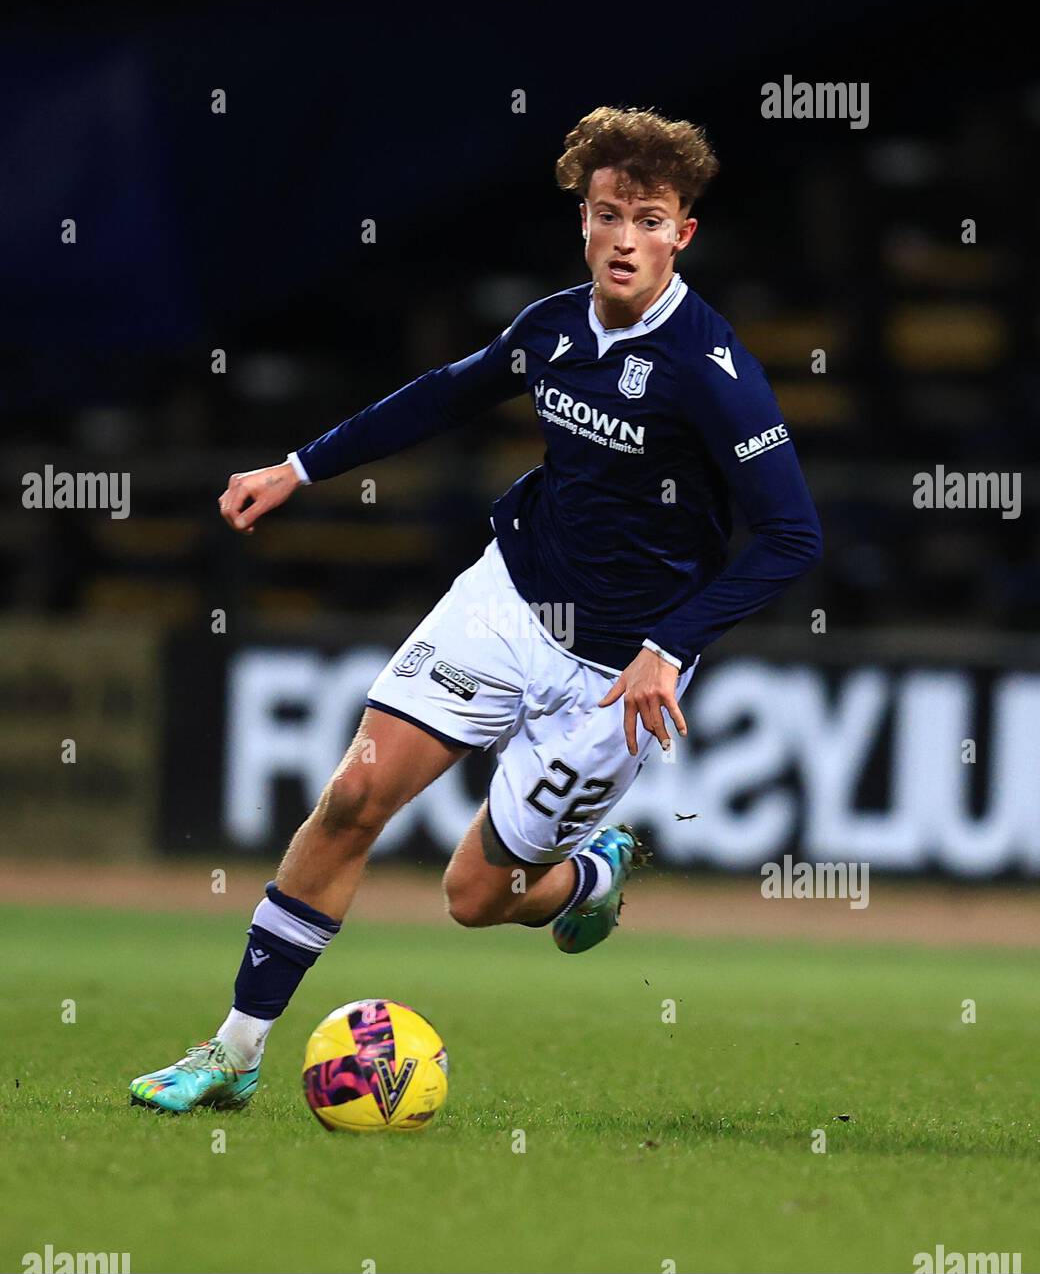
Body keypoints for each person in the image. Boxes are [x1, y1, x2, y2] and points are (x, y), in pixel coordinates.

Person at [130, 106, 822, 1113]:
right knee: (353, 797)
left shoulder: (712, 374)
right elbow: (442, 394)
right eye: (607, 214)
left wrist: (670, 647)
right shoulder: (552, 327)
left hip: (617, 668)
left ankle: (587, 879)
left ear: (682, 234)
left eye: (648, 221)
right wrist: (297, 467)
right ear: (582, 221)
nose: (624, 238)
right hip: (510, 601)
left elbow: (793, 534)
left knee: (474, 897)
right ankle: (233, 1054)